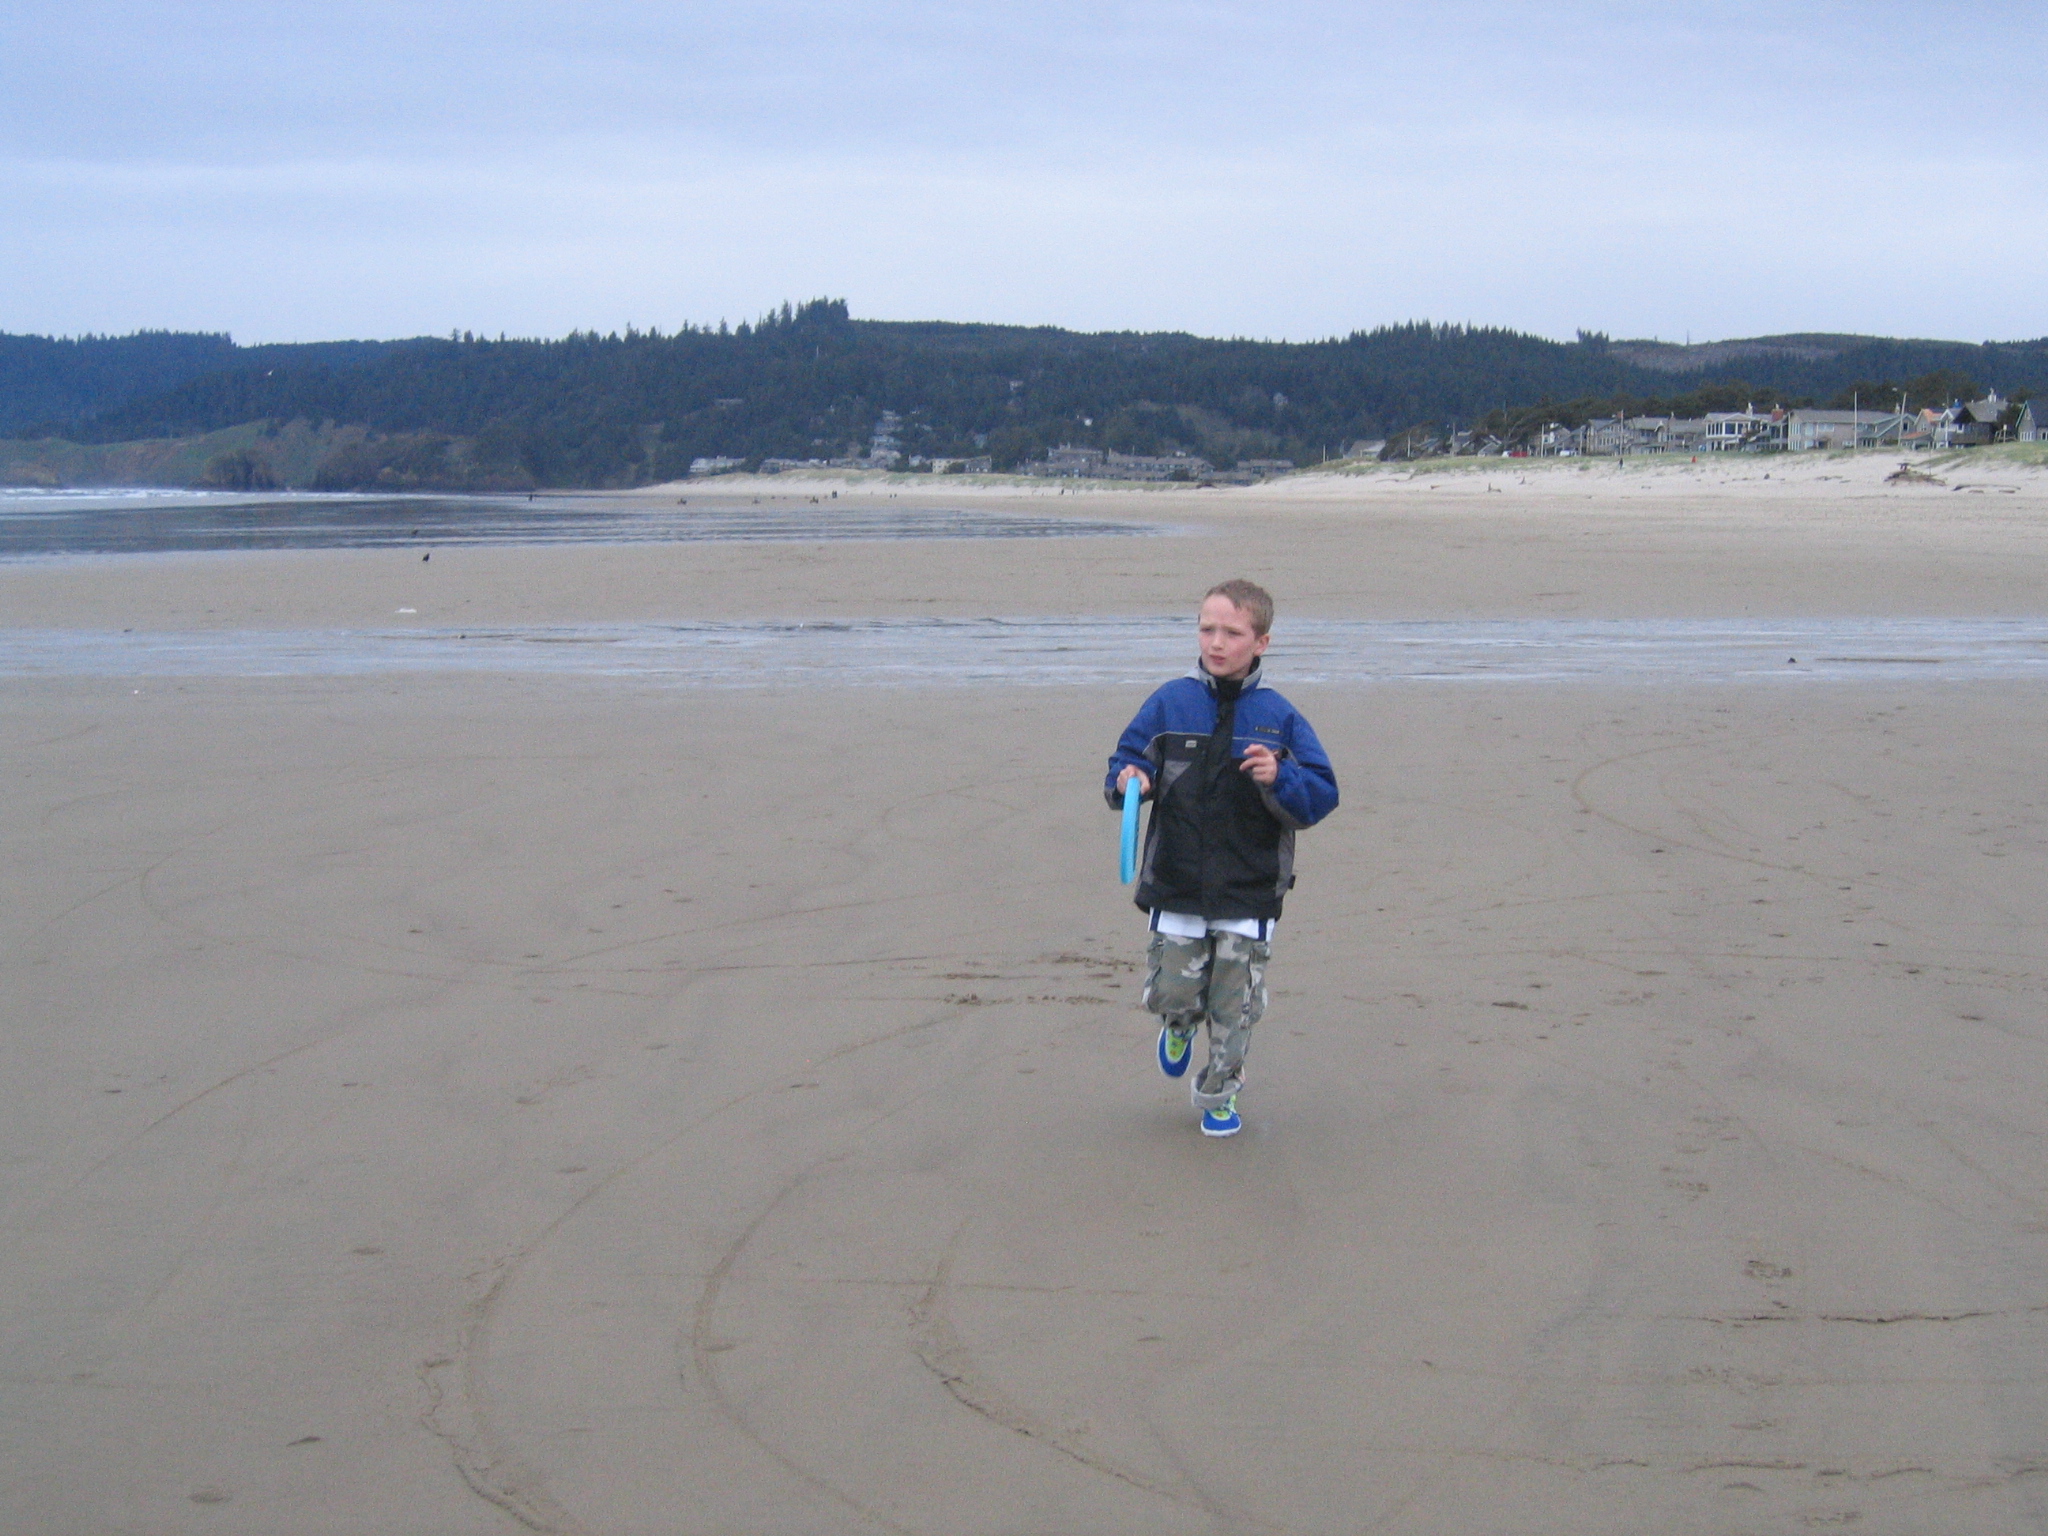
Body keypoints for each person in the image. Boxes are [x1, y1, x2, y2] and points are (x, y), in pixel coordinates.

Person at [1105, 579, 1339, 1137]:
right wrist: (1130, 780)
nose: (1216, 642)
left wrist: (1279, 776)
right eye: (1207, 629)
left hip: (1249, 887)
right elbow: (1127, 764)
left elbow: (1320, 794)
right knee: (1175, 989)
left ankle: (1219, 1094)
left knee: (1235, 1006)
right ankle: (1179, 1023)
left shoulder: (1278, 717)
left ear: (1261, 642)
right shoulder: (1170, 702)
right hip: (1176, 879)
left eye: (1232, 633)